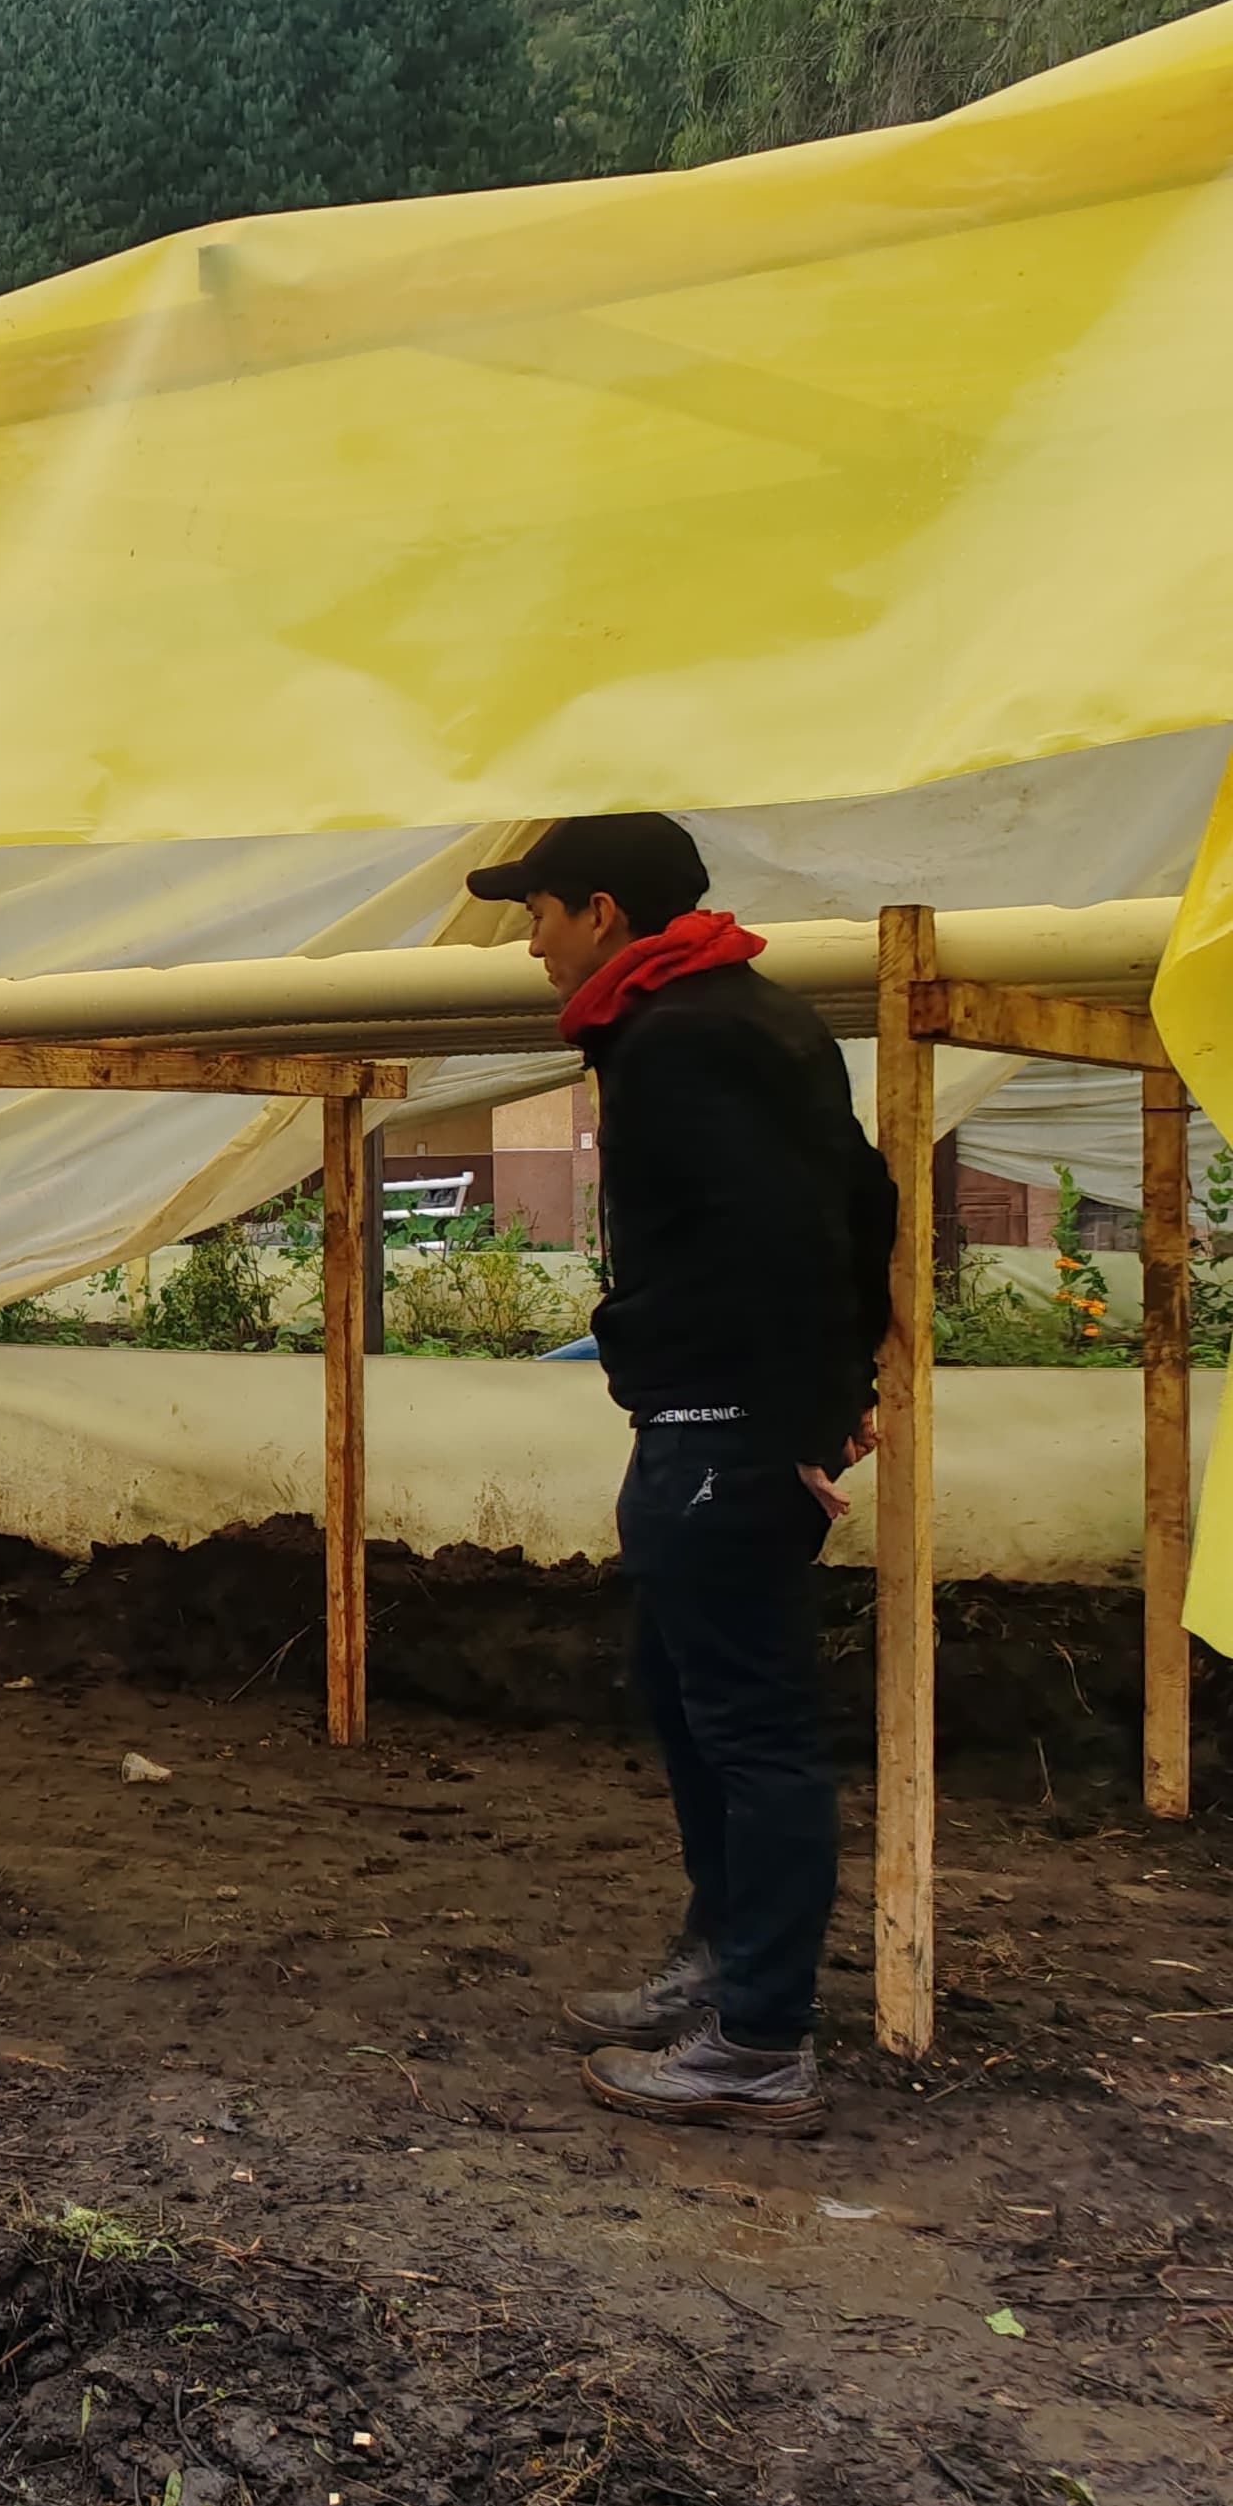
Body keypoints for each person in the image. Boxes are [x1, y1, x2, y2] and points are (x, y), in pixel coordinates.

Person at [467, 813, 895, 2135]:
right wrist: (829, 1393)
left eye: (536, 913)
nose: (530, 944)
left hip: (720, 1422)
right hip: (719, 1418)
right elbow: (866, 1199)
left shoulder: (682, 1035)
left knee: (753, 1727)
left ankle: (759, 2040)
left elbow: (777, 1235)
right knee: (682, 1686)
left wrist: (784, 1408)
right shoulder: (748, 1018)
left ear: (601, 910)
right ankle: (724, 1961)